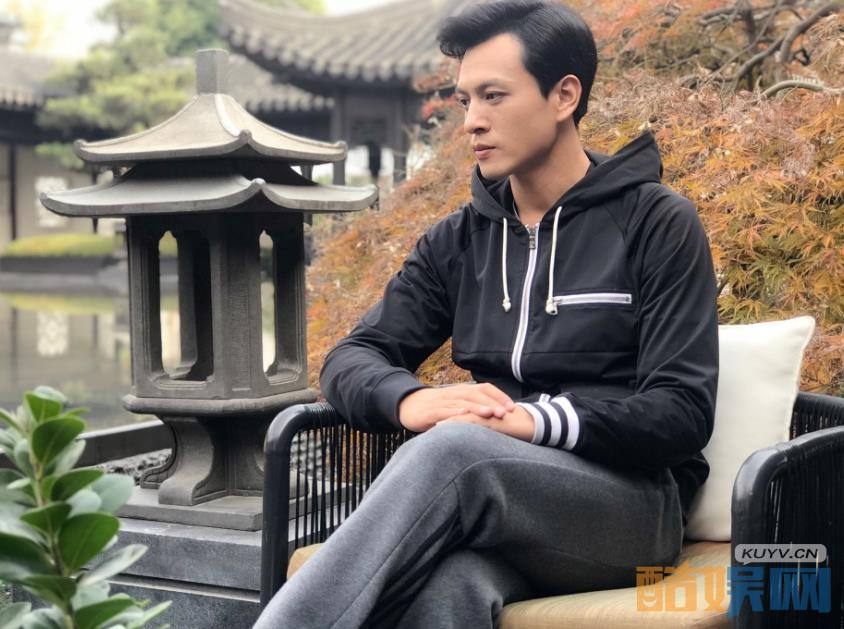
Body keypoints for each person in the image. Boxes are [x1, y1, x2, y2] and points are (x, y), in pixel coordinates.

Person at [254, 1, 718, 627]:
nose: (472, 120)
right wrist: (407, 400)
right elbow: (351, 357)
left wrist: (532, 421)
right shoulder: (460, 240)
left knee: (456, 451)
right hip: (502, 505)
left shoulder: (656, 222)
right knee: (449, 590)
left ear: (564, 95)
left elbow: (681, 410)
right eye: (465, 100)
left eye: (493, 96)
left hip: (631, 511)